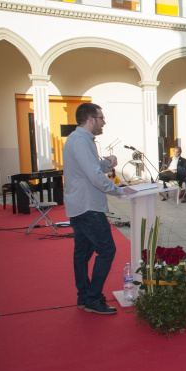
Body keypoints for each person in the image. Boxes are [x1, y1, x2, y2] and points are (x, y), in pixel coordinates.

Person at [63, 103, 136, 315]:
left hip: (81, 205)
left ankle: (84, 296)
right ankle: (93, 298)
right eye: (101, 118)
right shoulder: (80, 141)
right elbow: (94, 177)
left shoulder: (81, 140)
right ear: (91, 119)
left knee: (82, 254)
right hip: (88, 207)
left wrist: (107, 164)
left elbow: (92, 169)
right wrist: (119, 190)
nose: (104, 122)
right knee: (107, 250)